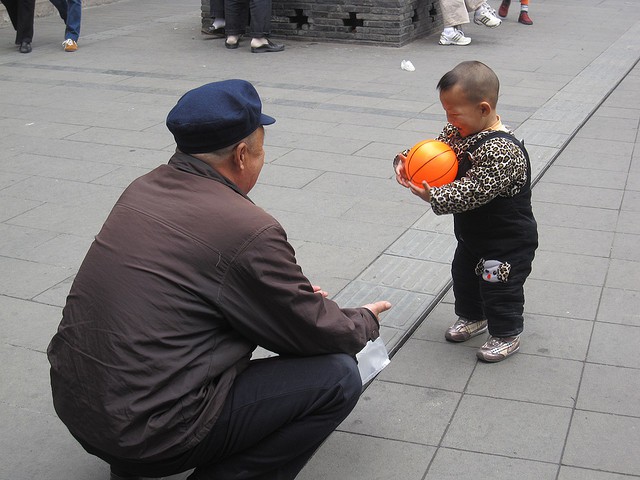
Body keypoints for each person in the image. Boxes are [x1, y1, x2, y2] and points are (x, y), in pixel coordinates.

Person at [47, 79, 391, 480]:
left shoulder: (142, 189)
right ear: (242, 155)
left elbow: (179, 295)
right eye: (262, 151)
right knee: (337, 376)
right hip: (149, 432)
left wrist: (279, 303)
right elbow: (317, 333)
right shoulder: (247, 228)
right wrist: (362, 320)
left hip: (80, 405)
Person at [393, 61, 538, 362]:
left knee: (499, 286)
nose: (449, 119)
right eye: (445, 111)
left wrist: (433, 194)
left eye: (454, 113)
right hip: (474, 235)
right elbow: (434, 151)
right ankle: (474, 316)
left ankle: (506, 333)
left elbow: (473, 191)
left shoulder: (502, 151)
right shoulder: (458, 131)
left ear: (484, 109)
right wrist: (407, 161)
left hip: (507, 241)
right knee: (464, 276)